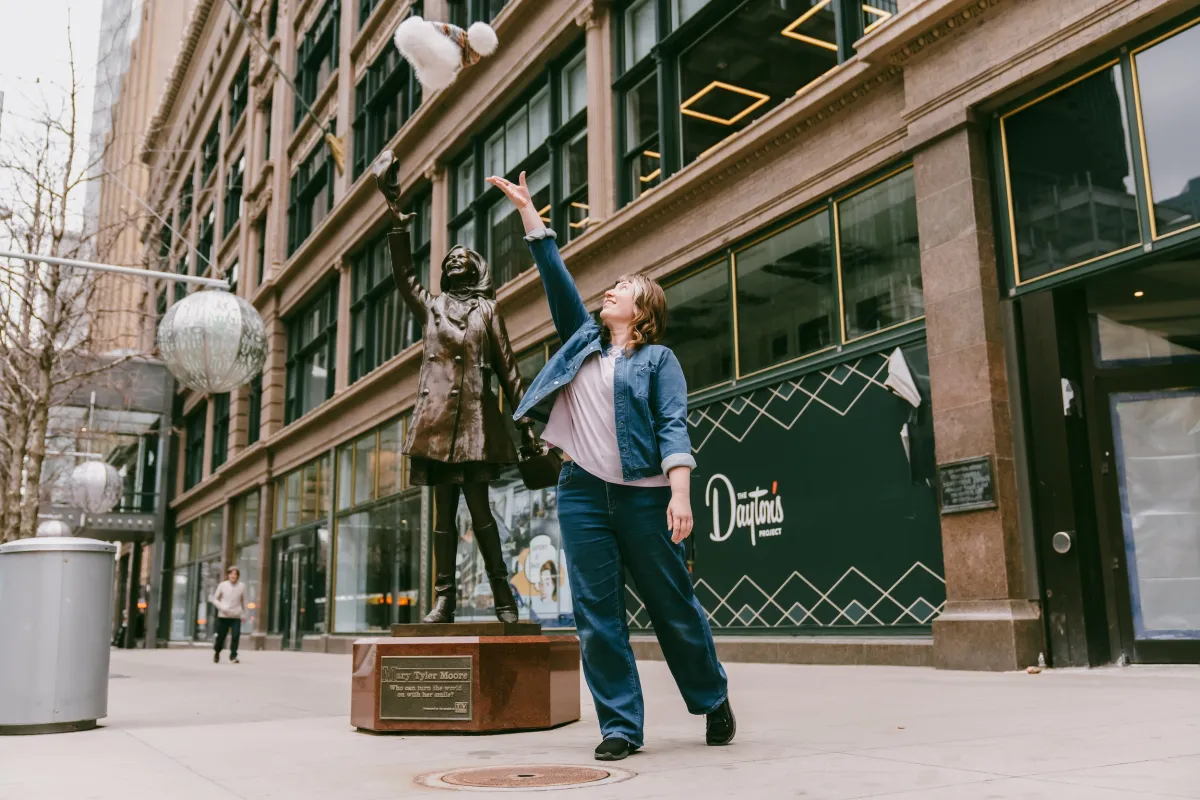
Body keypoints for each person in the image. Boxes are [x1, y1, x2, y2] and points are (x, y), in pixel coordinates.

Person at [489, 172, 734, 762]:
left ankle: (711, 696)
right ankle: (620, 726)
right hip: (580, 493)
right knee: (598, 617)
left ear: (642, 307)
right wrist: (530, 216)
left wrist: (681, 496)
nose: (611, 293)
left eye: (622, 288)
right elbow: (556, 280)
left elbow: (674, 426)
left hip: (646, 498)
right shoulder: (581, 340)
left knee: (673, 606)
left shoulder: (657, 360)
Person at [373, 151, 537, 625]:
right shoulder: (432, 308)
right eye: (451, 258)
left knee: (482, 515)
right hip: (438, 428)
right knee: (443, 518)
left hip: (477, 428)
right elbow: (404, 276)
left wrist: (525, 423)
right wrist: (398, 222)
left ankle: (504, 597)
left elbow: (508, 367)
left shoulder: (488, 310)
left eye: (466, 256)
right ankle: (444, 600)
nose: (458, 259)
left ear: (477, 268)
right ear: (445, 272)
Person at [213, 567, 245, 664]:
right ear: (228, 575)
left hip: (236, 615)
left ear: (238, 576)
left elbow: (244, 600)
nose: (233, 576)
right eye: (231, 574)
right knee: (221, 637)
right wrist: (222, 607)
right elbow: (215, 599)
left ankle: (233, 656)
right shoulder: (222, 585)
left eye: (235, 574)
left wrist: (244, 614)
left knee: (236, 636)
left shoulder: (242, 586)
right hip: (224, 616)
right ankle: (217, 652)